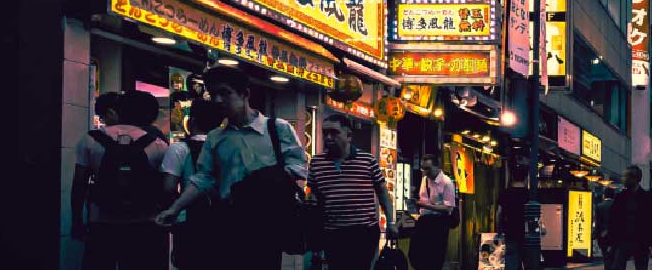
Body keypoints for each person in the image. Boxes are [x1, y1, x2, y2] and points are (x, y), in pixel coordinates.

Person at [153, 66, 308, 270]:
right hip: (228, 222)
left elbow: (299, 166)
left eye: (225, 93)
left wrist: (264, 180)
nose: (218, 100)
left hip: (267, 222)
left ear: (245, 94)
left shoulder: (277, 129)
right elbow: (203, 178)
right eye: (213, 94)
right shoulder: (216, 137)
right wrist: (174, 209)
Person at [72, 90, 171, 270]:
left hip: (101, 222)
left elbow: (79, 183)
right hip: (143, 223)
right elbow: (165, 187)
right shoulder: (157, 143)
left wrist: (77, 220)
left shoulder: (90, 139)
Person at [311, 113, 393, 270]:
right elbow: (316, 197)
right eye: (325, 133)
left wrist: (391, 222)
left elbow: (382, 192)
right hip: (332, 232)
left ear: (348, 135)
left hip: (363, 231)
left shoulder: (367, 160)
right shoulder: (317, 162)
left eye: (334, 133)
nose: (328, 137)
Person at [158, 99, 224, 270]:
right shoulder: (228, 148)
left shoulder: (179, 149)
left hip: (188, 220)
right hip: (224, 219)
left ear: (191, 121)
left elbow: (168, 187)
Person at [604, 166, 652, 270]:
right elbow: (613, 221)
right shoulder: (620, 197)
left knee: (641, 267)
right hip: (622, 239)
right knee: (617, 266)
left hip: (641, 240)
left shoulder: (648, 198)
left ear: (636, 179)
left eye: (626, 176)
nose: (623, 179)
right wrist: (610, 241)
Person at [412, 153, 459, 270]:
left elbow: (448, 208)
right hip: (423, 221)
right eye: (423, 168)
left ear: (437, 167)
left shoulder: (446, 182)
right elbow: (424, 199)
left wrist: (426, 206)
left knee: (434, 259)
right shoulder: (424, 180)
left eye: (428, 168)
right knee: (415, 255)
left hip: (439, 223)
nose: (425, 172)